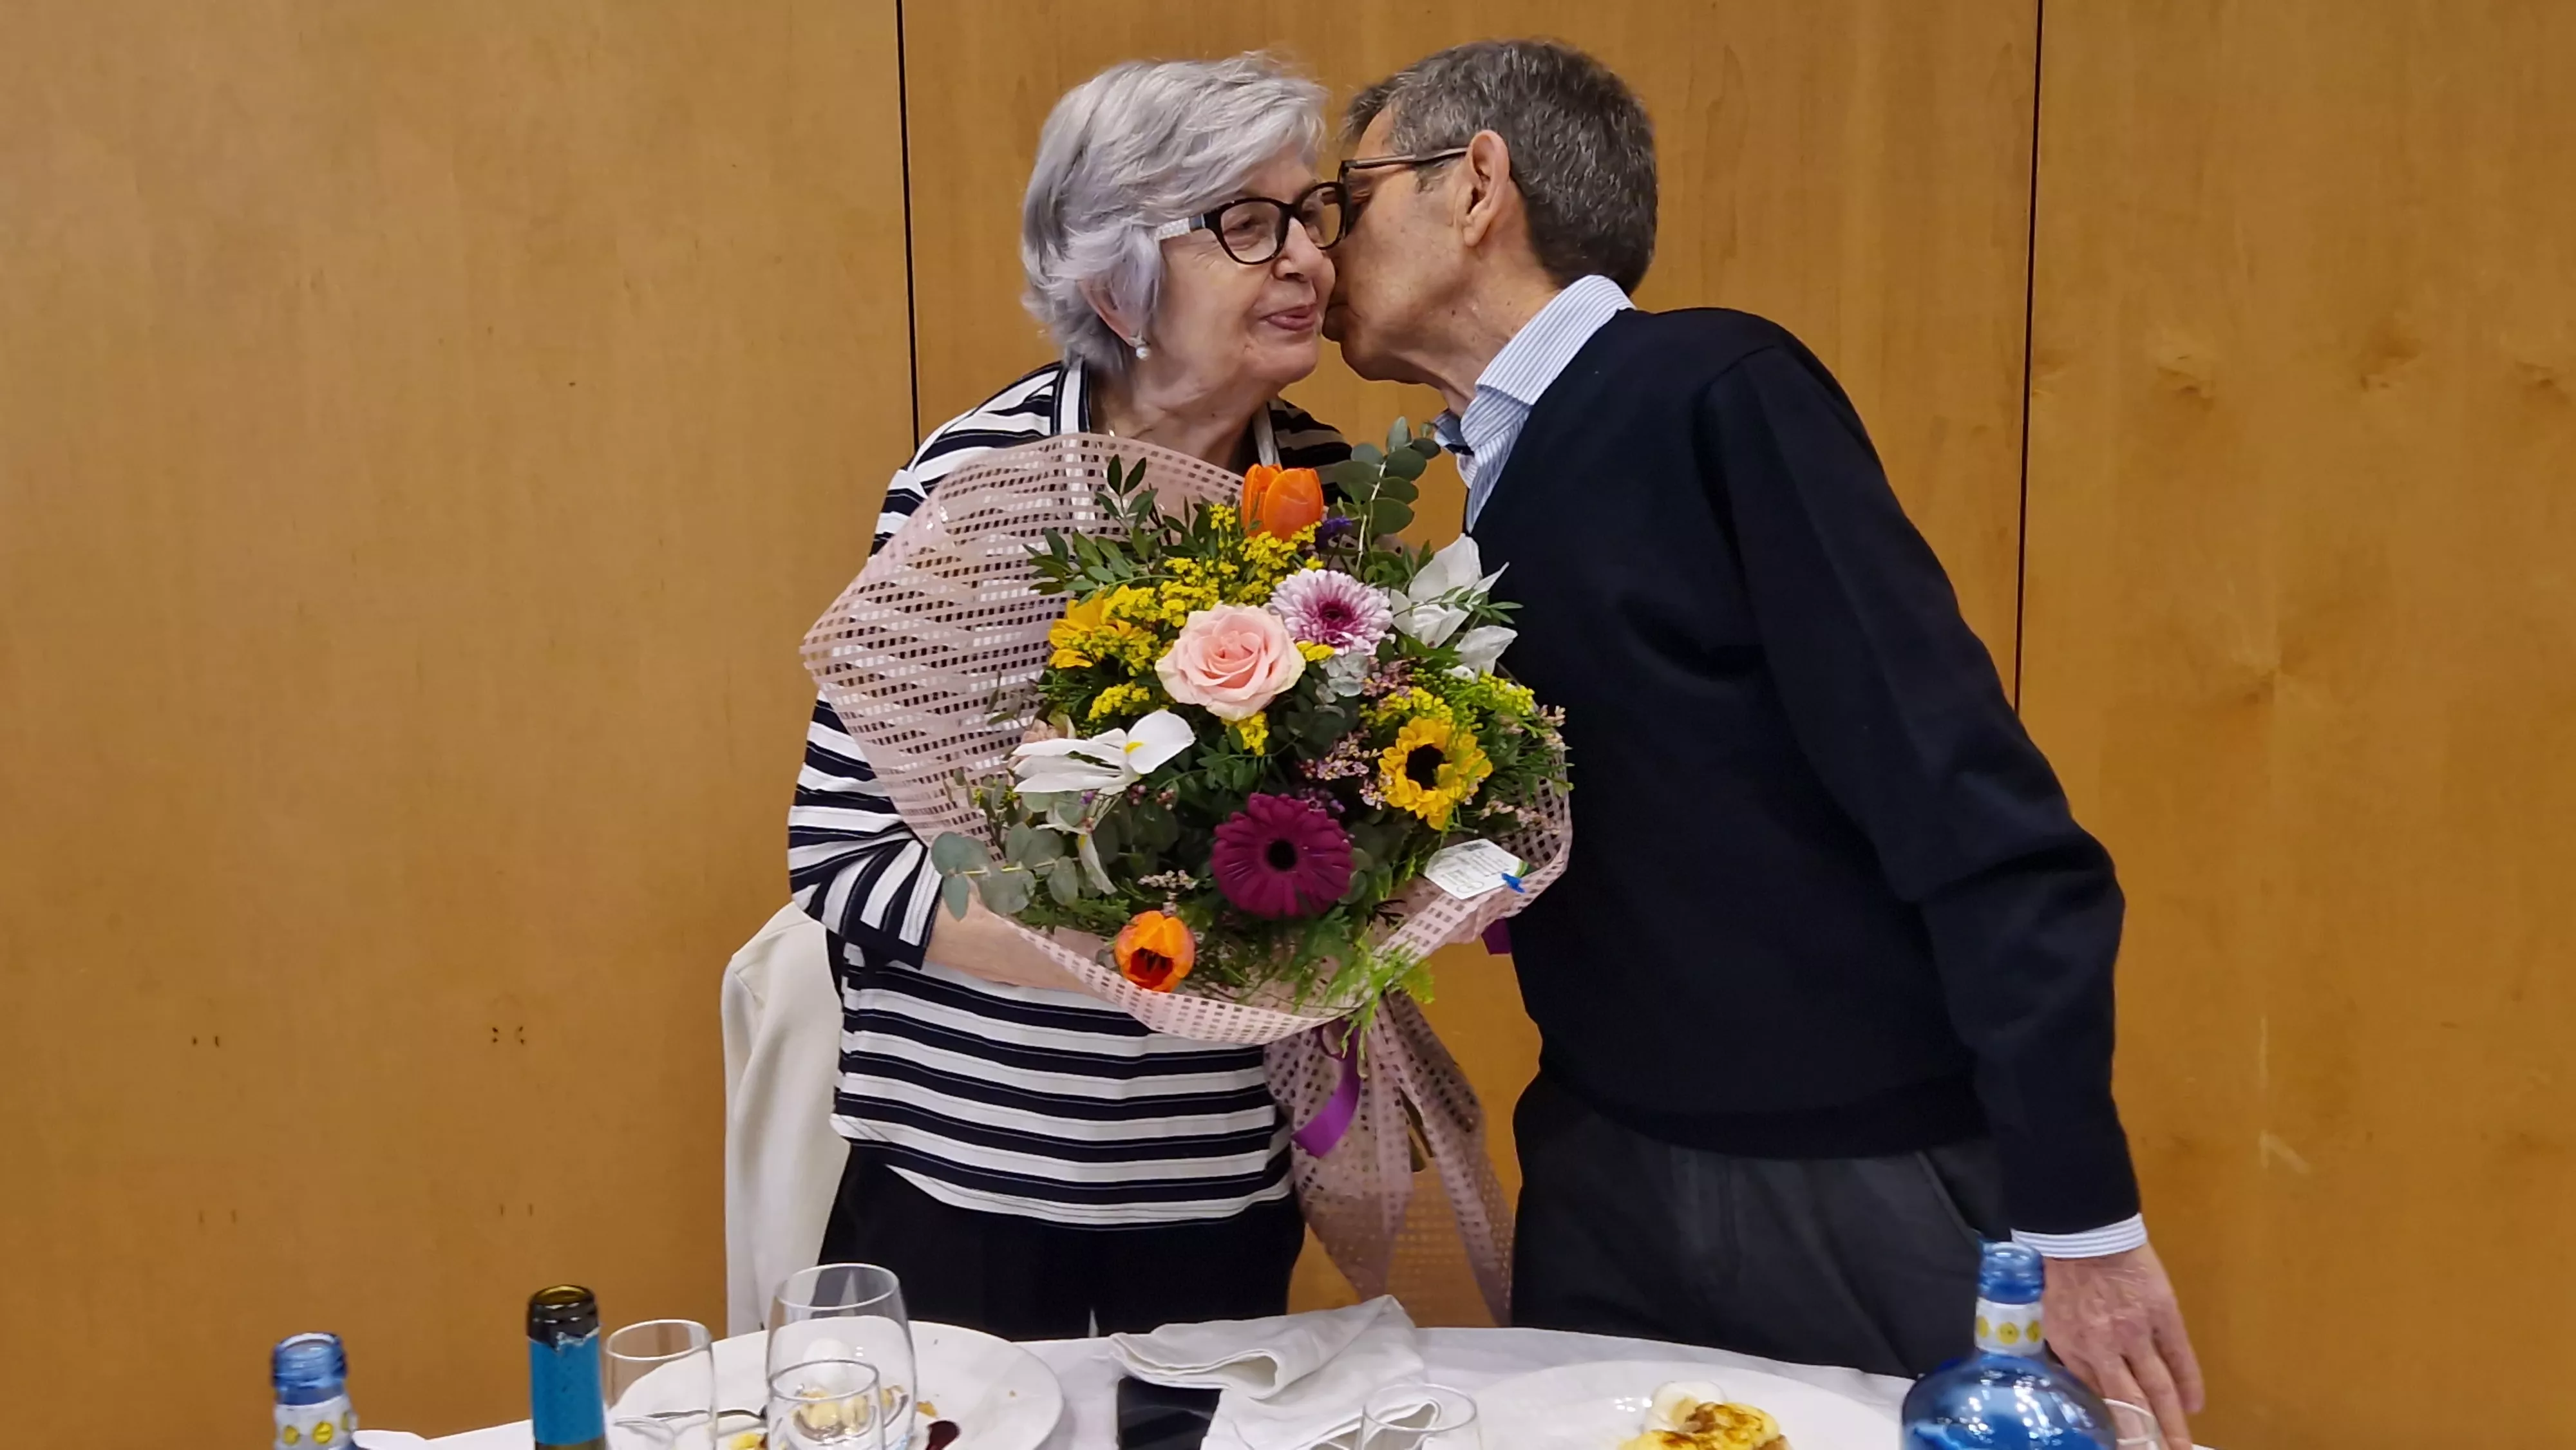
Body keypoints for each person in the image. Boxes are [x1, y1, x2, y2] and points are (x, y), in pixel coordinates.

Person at [1323, 38, 2205, 1447]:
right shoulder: (1490, 475)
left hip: (1839, 1181)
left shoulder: (1706, 387)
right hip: (1604, 1158)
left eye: (1347, 194)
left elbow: (1965, 798)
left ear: (1475, 182)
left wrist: (2075, 1216)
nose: (1323, 243)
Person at [787, 53, 1350, 1339]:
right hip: (970, 1181)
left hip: (1213, 1187)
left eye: (1307, 215)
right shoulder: (976, 487)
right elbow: (839, 857)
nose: (1305, 260)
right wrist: (1134, 961)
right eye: (1243, 226)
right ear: (1115, 282)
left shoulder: (1321, 490)